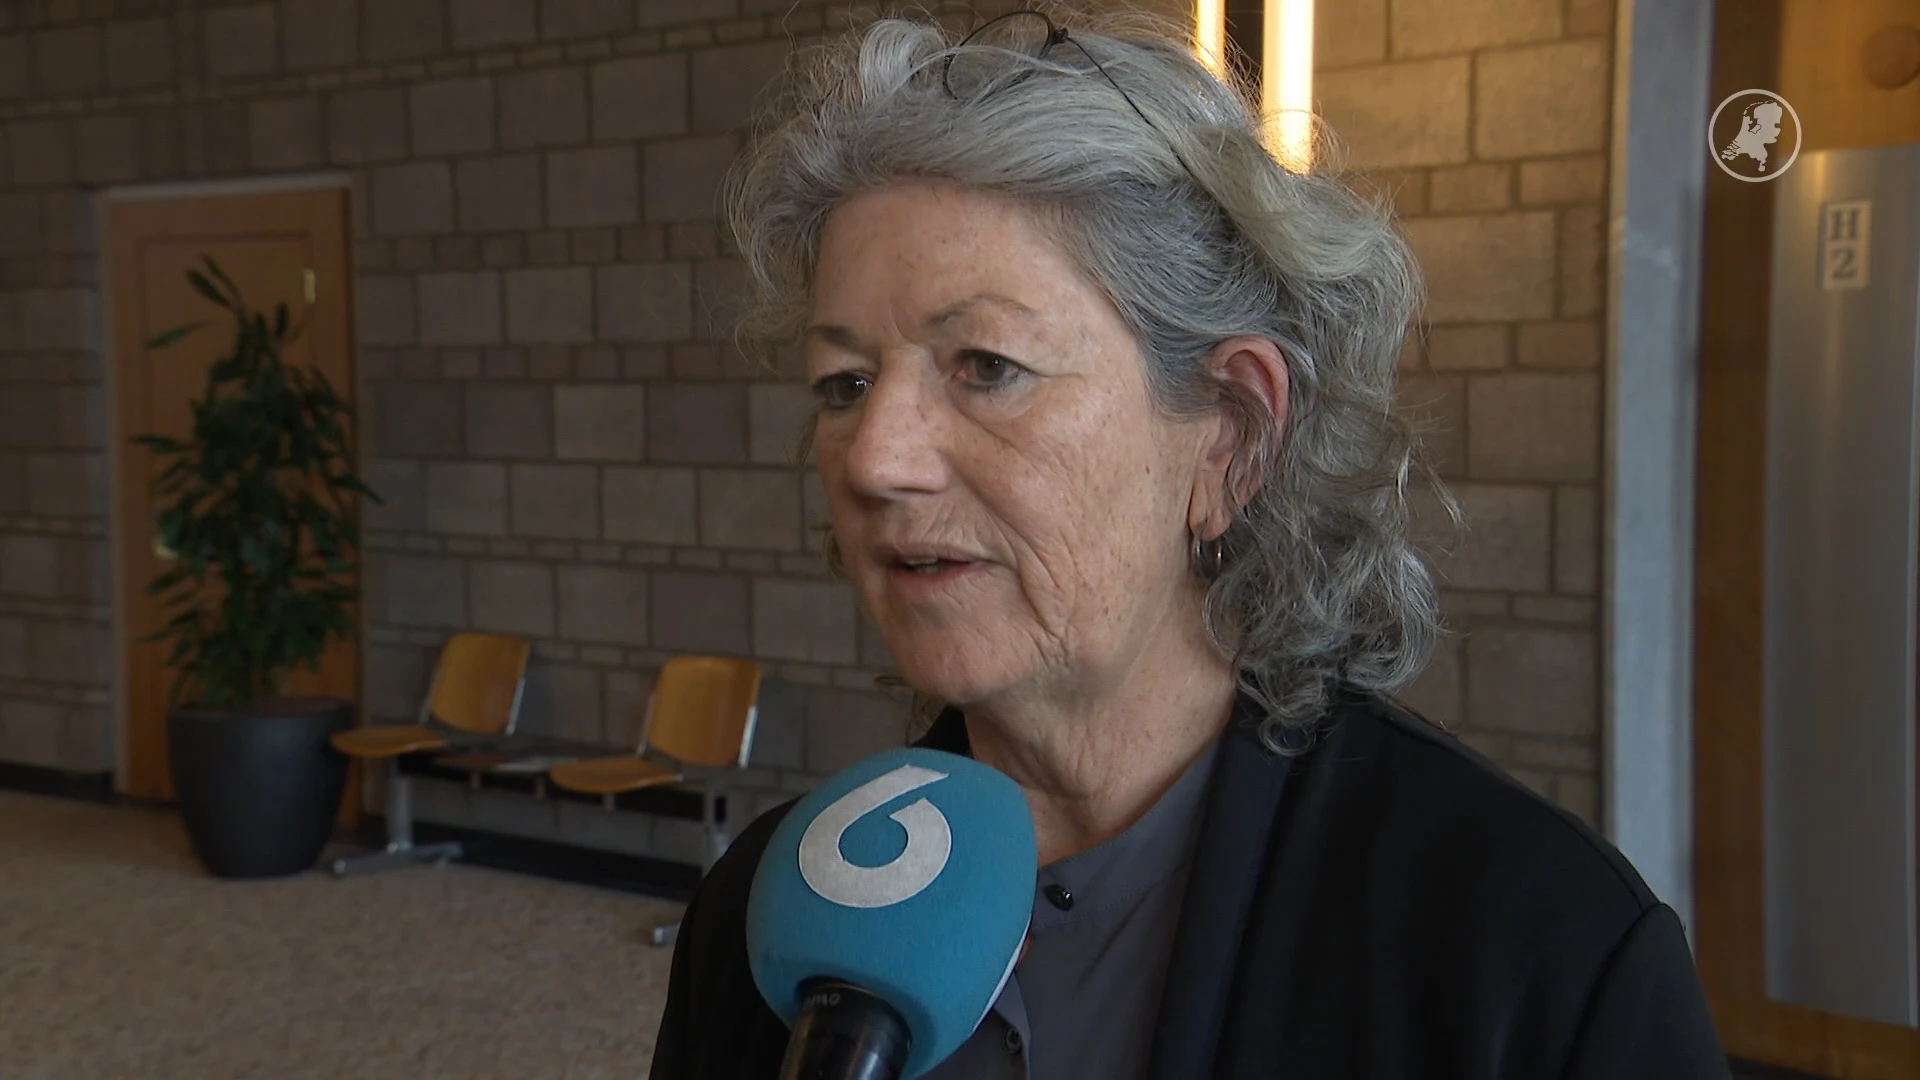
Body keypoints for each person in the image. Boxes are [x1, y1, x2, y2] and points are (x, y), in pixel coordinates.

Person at [650, 5, 1731, 1077]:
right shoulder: (766, 915)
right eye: (844, 383)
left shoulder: (1539, 957)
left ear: (1232, 434)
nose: (877, 459)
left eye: (987, 367)